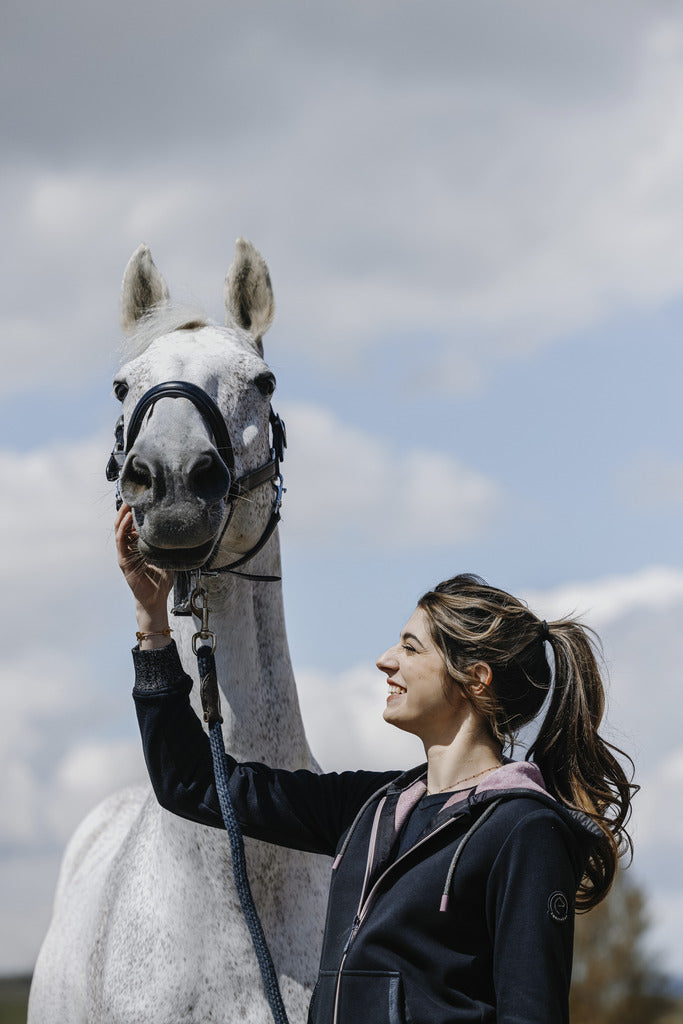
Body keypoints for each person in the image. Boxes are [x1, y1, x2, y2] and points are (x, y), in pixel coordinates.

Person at [115, 504, 635, 1024]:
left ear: (475, 679)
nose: (386, 660)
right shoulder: (366, 807)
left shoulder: (526, 829)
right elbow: (193, 785)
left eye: (411, 648)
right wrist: (153, 624)